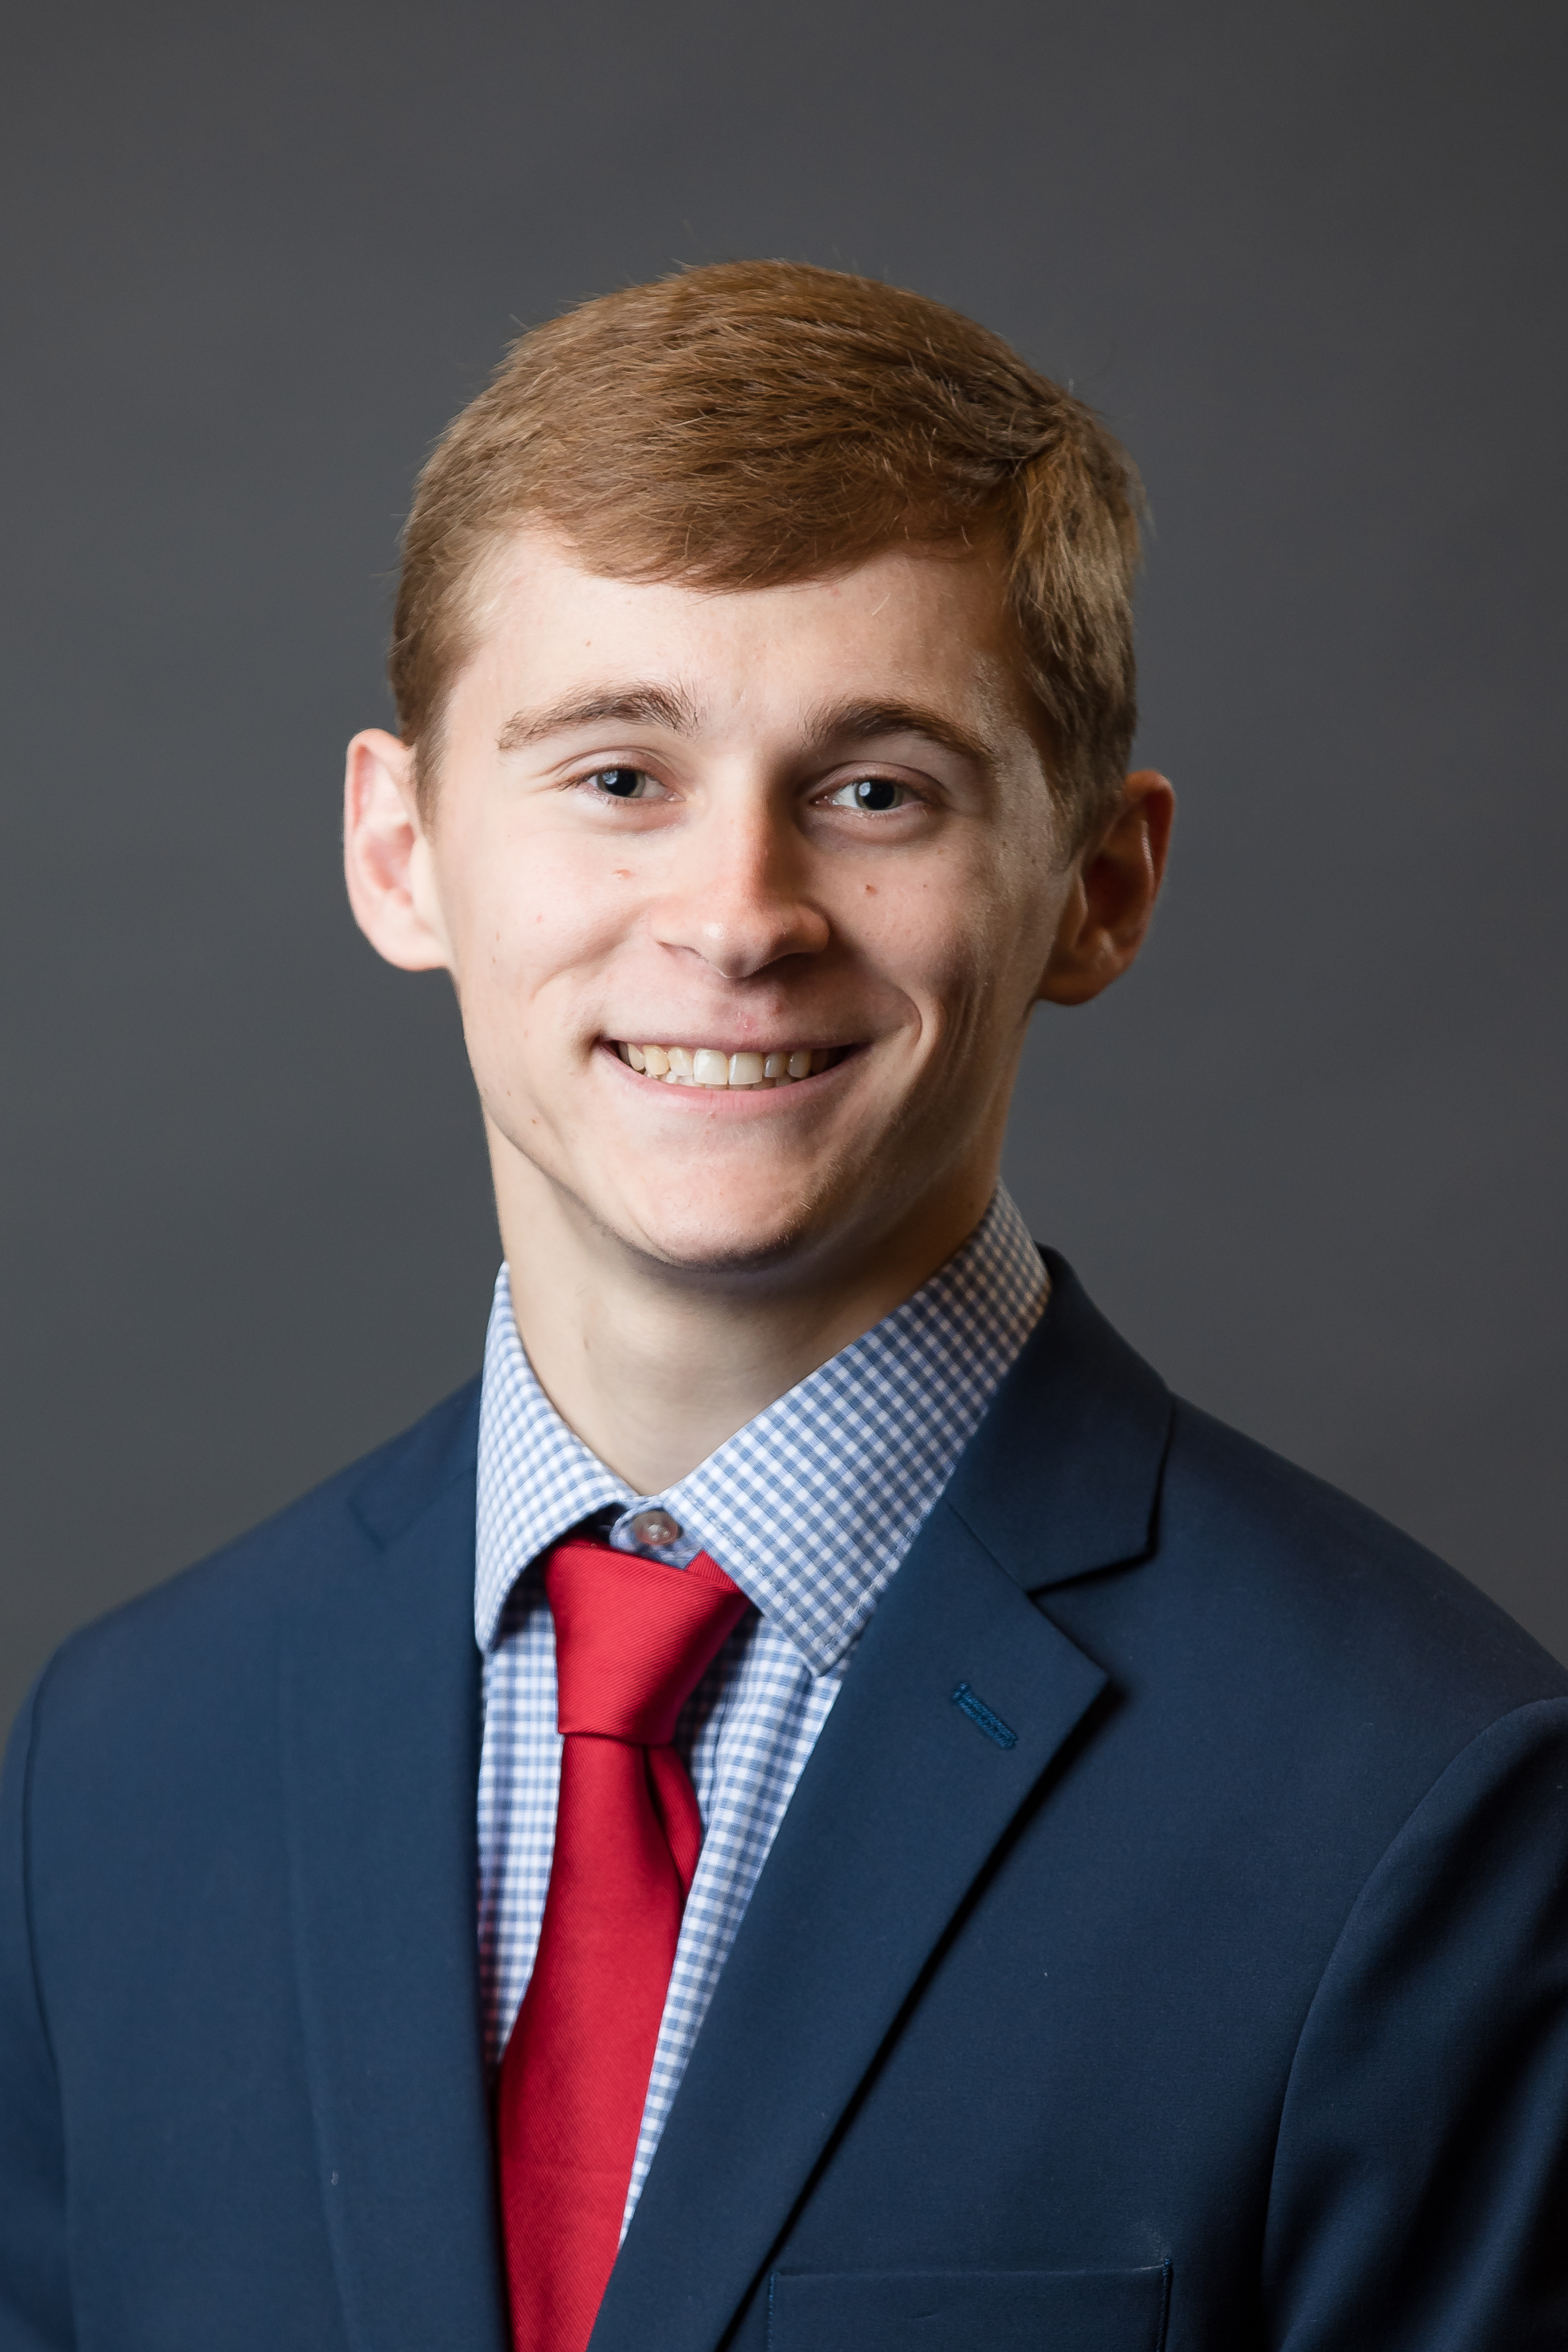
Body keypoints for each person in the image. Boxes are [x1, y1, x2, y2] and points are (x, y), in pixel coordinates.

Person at [1, 261, 1564, 2352]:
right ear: (400, 849)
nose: (739, 919)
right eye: (617, 776)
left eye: (878, 789)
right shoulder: (114, 1771)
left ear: (1100, 885)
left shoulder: (1421, 1802)